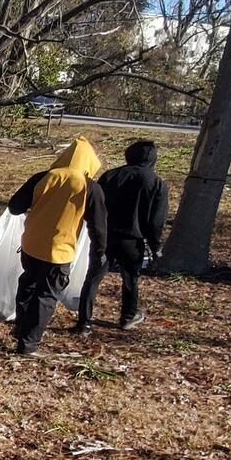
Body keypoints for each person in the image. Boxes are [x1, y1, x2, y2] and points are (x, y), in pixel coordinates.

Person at [5, 137, 108, 355]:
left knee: (28, 284)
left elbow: (15, 207)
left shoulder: (43, 178)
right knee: (46, 296)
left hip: (31, 244)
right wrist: (99, 253)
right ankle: (28, 345)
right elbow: (98, 227)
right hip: (60, 251)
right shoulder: (89, 188)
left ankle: (21, 328)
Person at [81, 139, 171, 330]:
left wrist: (91, 229)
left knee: (93, 278)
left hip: (104, 236)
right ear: (153, 160)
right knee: (130, 279)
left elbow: (94, 205)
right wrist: (156, 246)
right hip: (133, 240)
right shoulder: (156, 183)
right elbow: (157, 220)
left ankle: (84, 321)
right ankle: (127, 316)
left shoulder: (110, 176)